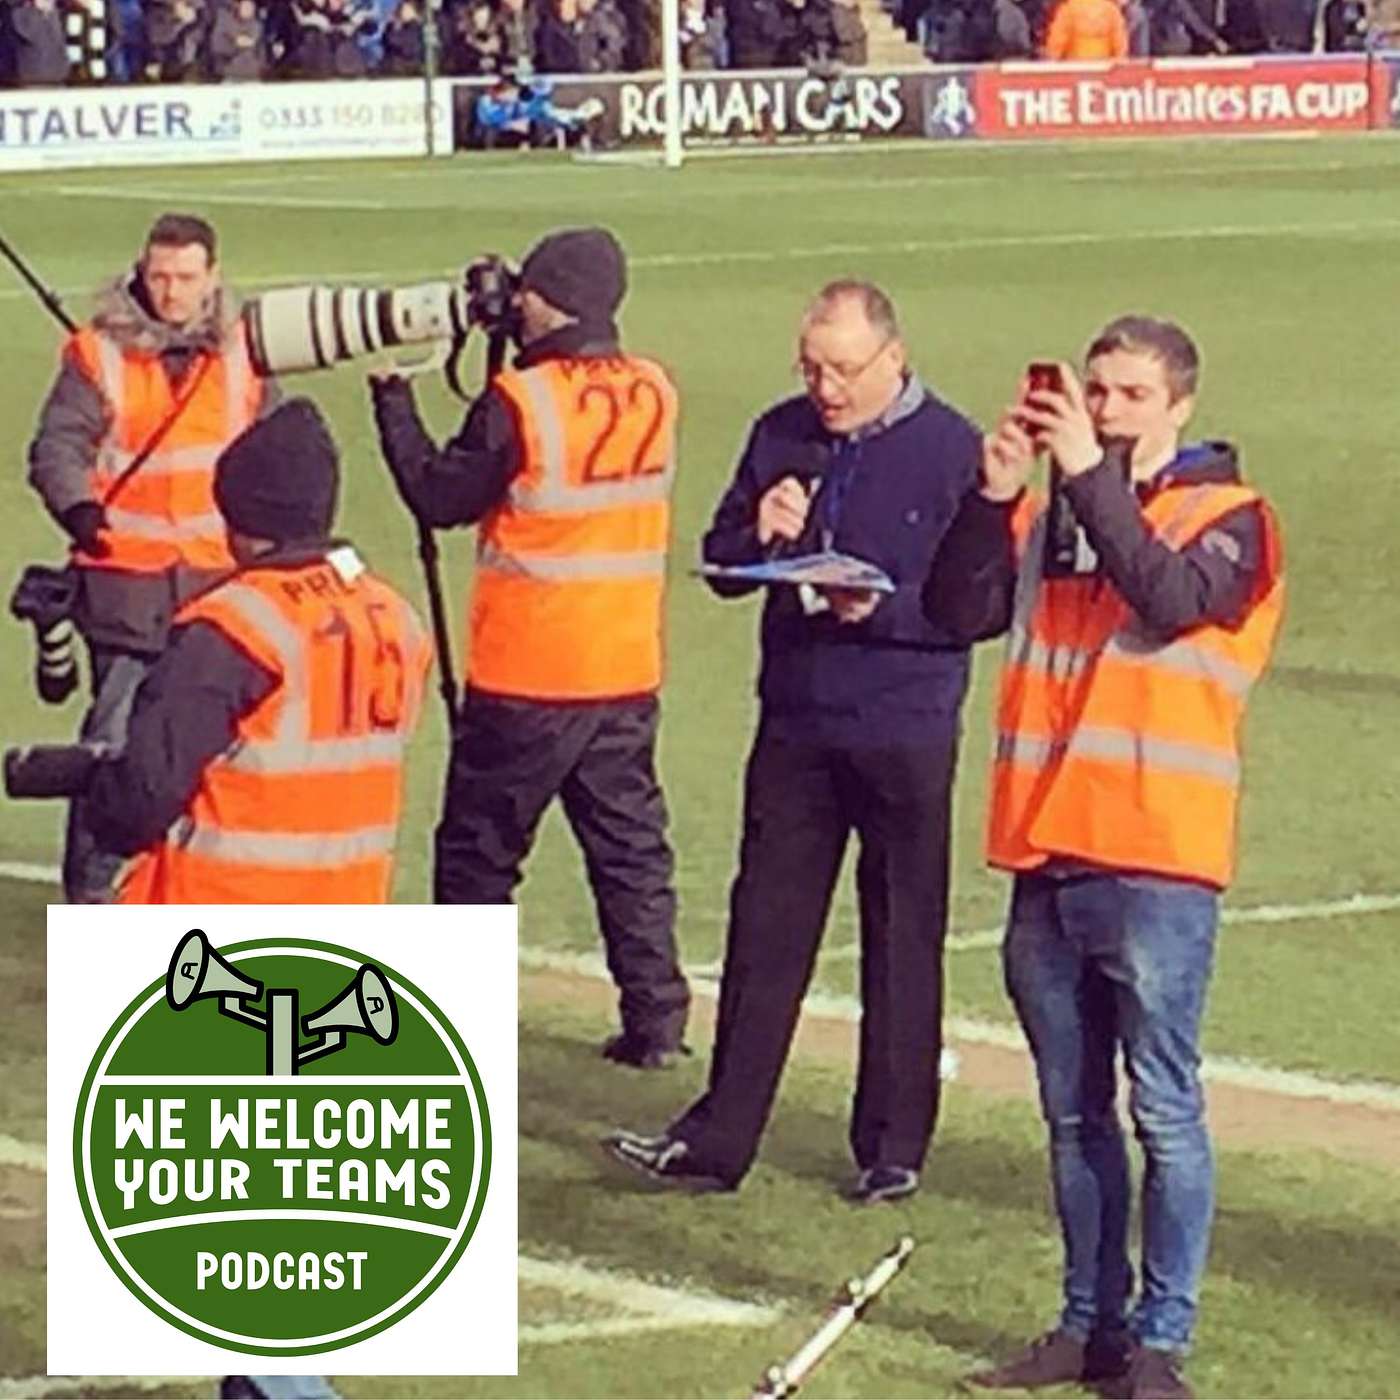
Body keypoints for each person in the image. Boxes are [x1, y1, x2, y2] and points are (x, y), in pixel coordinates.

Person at [929, 318, 1284, 1400]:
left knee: (1162, 1107)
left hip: (1154, 855)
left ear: (1177, 404)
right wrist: (991, 499)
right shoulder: (1058, 513)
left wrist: (1087, 475)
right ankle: (1086, 1327)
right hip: (1046, 847)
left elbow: (1171, 601)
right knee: (1070, 1110)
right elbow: (957, 611)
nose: (1105, 410)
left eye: (1128, 393)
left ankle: (1156, 1345)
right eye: (1093, 391)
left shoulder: (1232, 516)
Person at [605, 280, 983, 1201]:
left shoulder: (953, 451)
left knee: (903, 931)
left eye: (844, 369)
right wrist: (754, 534)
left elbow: (975, 603)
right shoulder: (781, 430)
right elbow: (723, 561)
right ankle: (720, 1134)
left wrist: (878, 610)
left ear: (893, 357)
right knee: (764, 927)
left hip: (906, 726)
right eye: (812, 368)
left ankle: (892, 1146)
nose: (827, 387)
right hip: (797, 721)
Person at [369, 226, 690, 1070]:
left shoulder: (523, 400)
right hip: (623, 664)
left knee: (478, 858)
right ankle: (658, 1020)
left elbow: (442, 495)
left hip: (527, 674)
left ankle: (457, 1024)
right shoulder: (656, 388)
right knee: (629, 853)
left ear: (550, 298)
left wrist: (393, 405)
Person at [26, 212, 277, 904]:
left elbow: (271, 450)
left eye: (185, 278)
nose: (170, 292)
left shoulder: (245, 353)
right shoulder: (96, 353)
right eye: (159, 276)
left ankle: (190, 892)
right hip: (125, 590)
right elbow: (57, 448)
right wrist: (78, 507)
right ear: (142, 272)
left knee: (214, 757)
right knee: (111, 753)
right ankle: (93, 899)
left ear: (212, 278)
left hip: (220, 593)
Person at [1042, 0, 1127, 57]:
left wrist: (1052, 58)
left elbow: (1057, 42)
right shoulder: (1111, 10)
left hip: (1075, 66)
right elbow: (1120, 43)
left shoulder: (1069, 9)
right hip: (1105, 66)